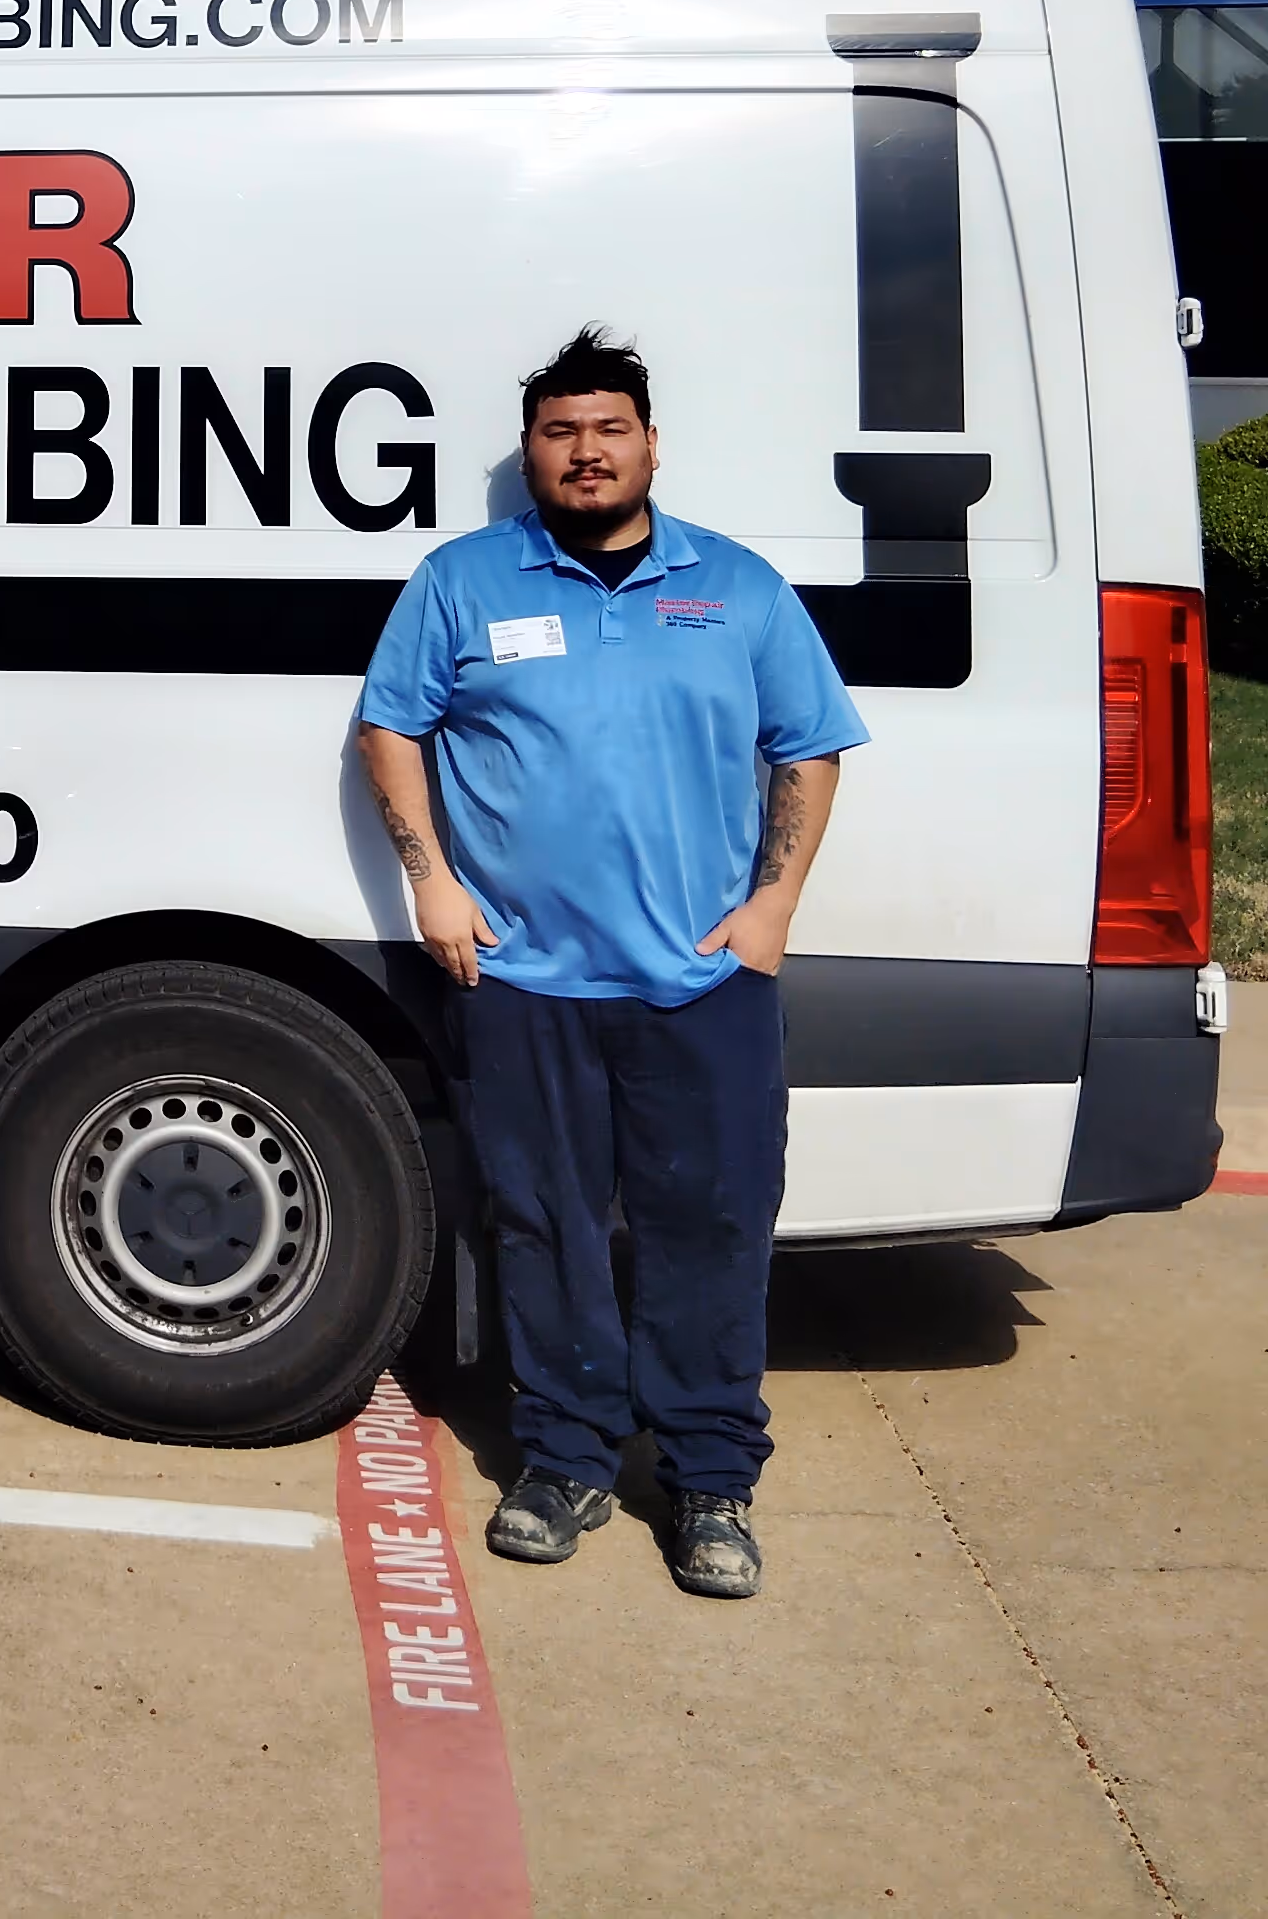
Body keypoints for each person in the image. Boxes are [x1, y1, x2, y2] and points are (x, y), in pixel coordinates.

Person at [352, 327, 862, 1600]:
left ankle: (707, 1482)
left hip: (702, 986)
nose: (585, 453)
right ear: (530, 453)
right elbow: (387, 727)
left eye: (608, 430)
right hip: (525, 981)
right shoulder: (464, 581)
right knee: (547, 1226)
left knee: (713, 1226)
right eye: (559, 433)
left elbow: (808, 745)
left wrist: (772, 908)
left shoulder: (735, 588)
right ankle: (565, 1459)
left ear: (649, 446)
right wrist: (433, 881)